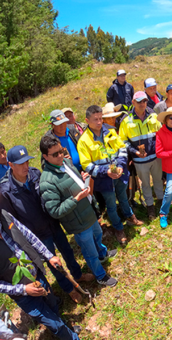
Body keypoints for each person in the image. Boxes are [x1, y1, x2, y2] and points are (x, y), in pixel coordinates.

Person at [0, 145, 94, 303]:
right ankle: (69, 288)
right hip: (37, 233)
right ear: (10, 164)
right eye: (21, 164)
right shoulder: (5, 190)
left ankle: (78, 275)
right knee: (53, 262)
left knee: (67, 251)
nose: (26, 166)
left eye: (27, 162)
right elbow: (11, 220)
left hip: (52, 223)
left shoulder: (35, 173)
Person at [39, 134, 118, 287]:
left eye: (61, 151)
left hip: (88, 212)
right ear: (45, 157)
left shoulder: (66, 162)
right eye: (55, 154)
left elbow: (74, 182)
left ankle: (103, 253)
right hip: (78, 223)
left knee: (98, 234)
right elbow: (54, 211)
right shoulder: (47, 181)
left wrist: (83, 179)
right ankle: (100, 275)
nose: (60, 156)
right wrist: (76, 199)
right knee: (90, 252)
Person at [0, 211, 81, 340]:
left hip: (37, 277)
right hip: (23, 296)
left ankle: (64, 329)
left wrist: (49, 256)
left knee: (53, 304)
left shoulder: (5, 216)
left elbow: (28, 235)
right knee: (54, 324)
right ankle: (69, 336)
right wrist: (24, 289)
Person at [78, 105, 143, 245]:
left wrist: (119, 166)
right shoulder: (84, 141)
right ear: (87, 120)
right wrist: (105, 172)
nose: (99, 122)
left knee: (123, 197)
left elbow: (122, 149)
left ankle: (130, 216)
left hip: (119, 174)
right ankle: (119, 228)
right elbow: (87, 166)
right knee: (111, 205)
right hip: (104, 181)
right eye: (95, 119)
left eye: (100, 118)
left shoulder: (111, 131)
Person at [119, 91, 164, 220]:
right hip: (140, 160)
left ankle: (161, 203)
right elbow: (122, 141)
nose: (143, 104)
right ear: (133, 103)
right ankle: (150, 208)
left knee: (158, 181)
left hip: (155, 157)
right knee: (145, 184)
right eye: (139, 102)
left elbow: (160, 134)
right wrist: (134, 152)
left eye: (145, 101)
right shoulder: (126, 121)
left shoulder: (154, 116)